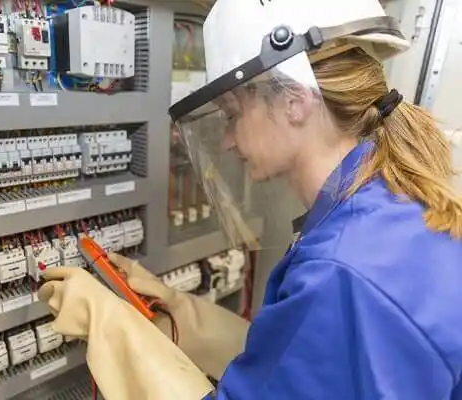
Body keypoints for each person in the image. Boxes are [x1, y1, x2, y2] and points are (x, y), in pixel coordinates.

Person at [37, 0, 462, 398]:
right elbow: (292, 363)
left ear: (294, 100)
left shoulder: (342, 273)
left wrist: (106, 321)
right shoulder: (386, 209)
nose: (225, 140)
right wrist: (182, 314)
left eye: (231, 113)